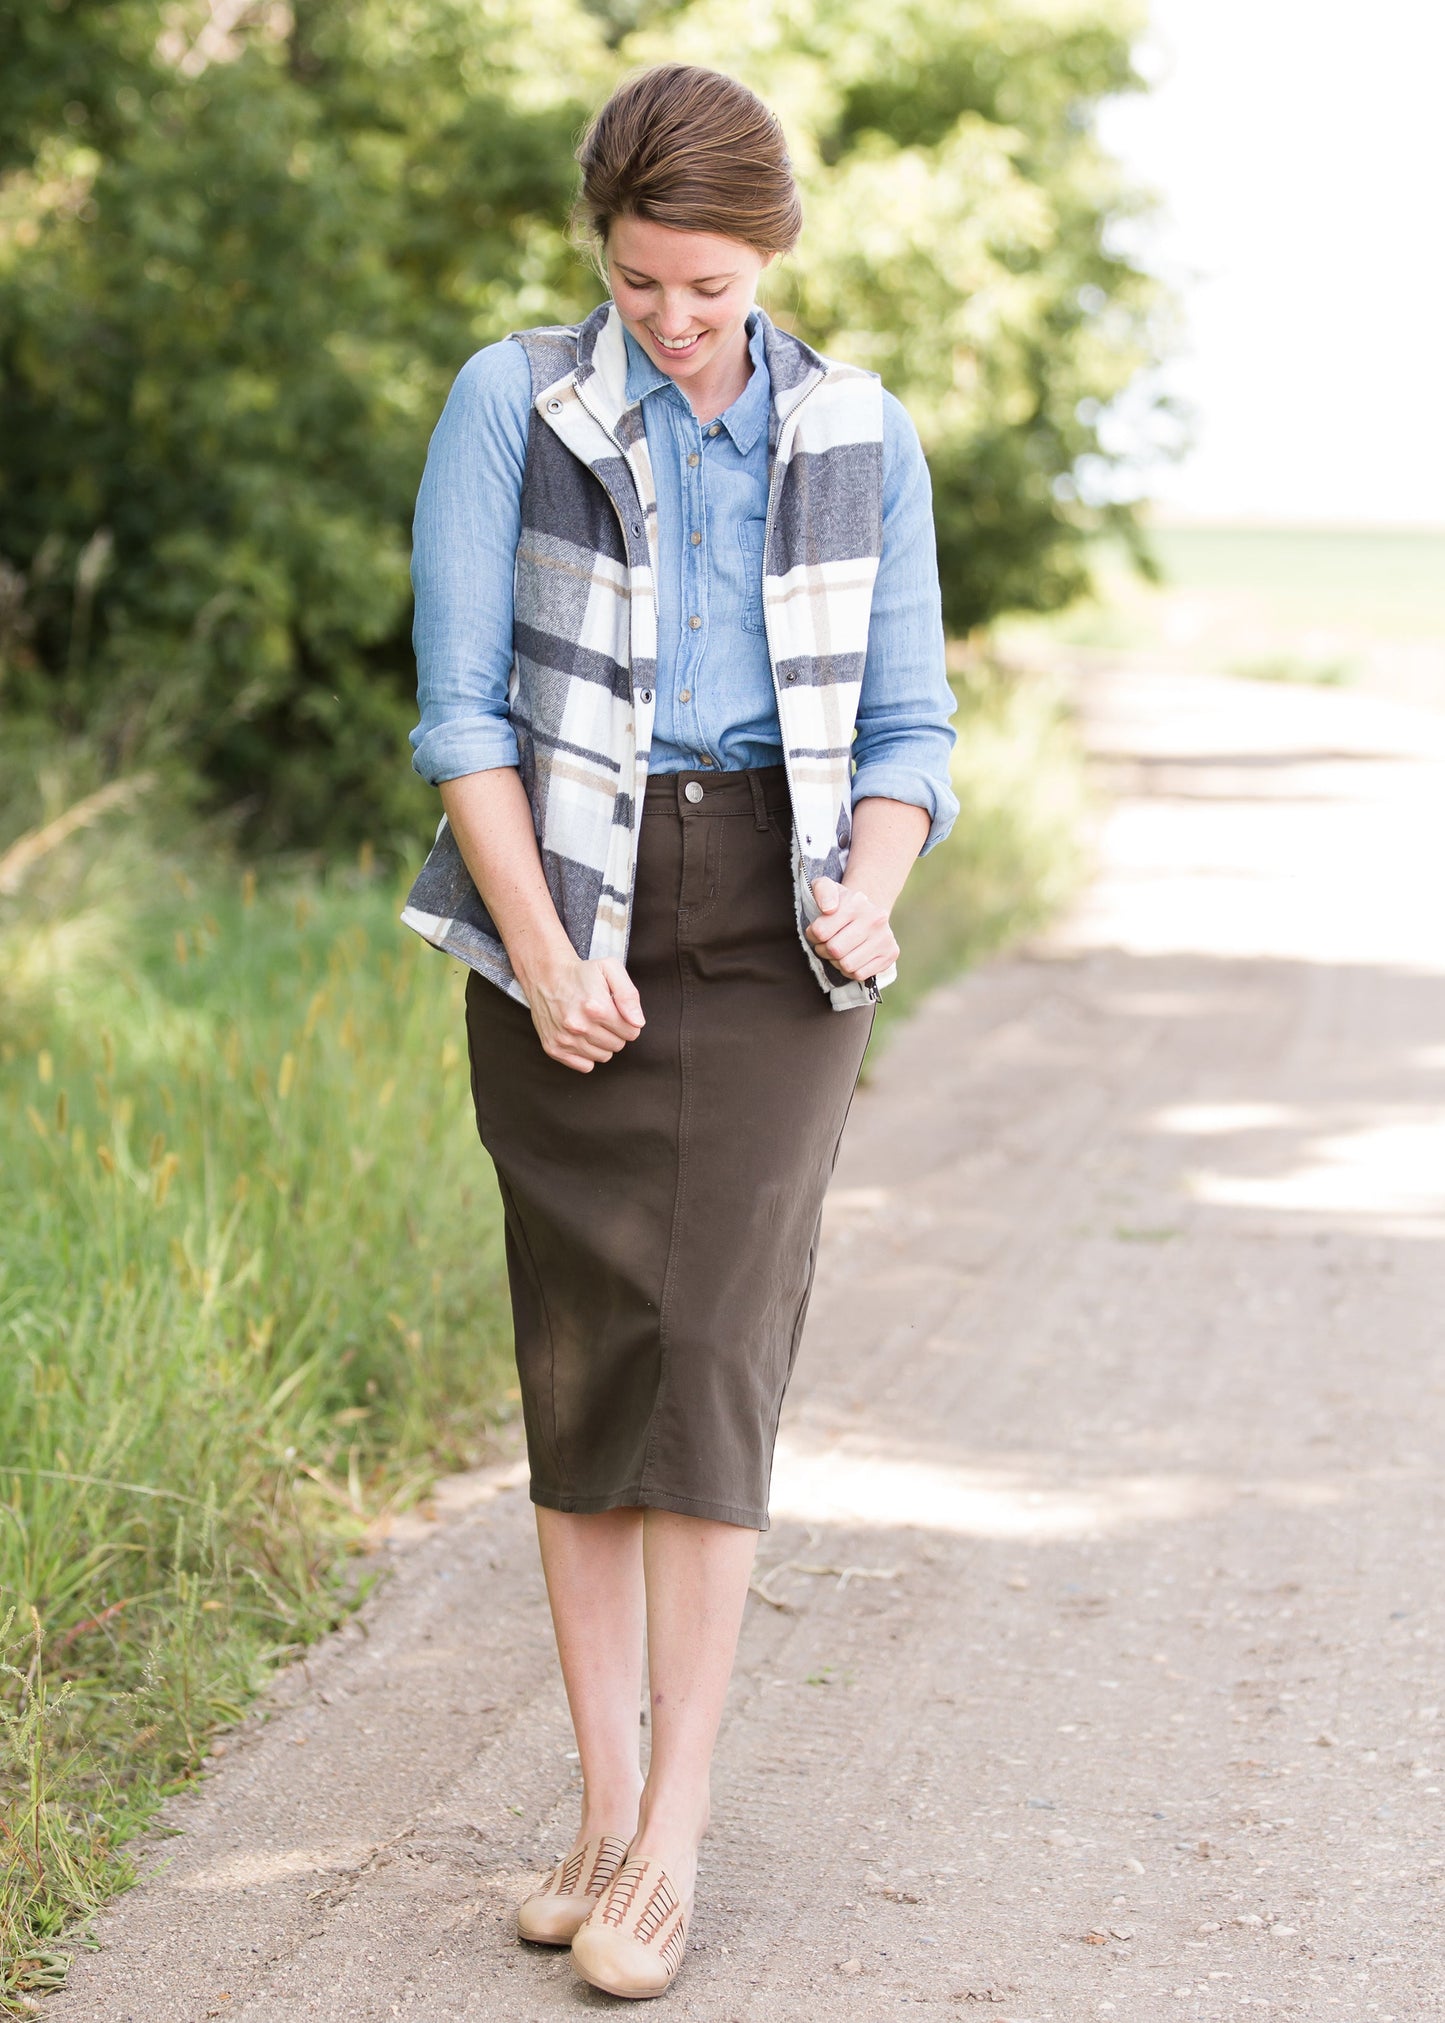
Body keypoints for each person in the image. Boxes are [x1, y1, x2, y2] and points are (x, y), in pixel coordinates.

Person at [401, 60, 958, 2000]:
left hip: (777, 932)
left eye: (707, 287)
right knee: (585, 1359)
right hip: (567, 902)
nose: (673, 321)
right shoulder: (511, 403)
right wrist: (547, 955)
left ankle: (674, 1839)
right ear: (604, 260)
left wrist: (874, 886)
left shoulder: (860, 431)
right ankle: (600, 1805)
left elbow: (910, 736)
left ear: (772, 255)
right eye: (642, 284)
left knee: (713, 1356)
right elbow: (461, 716)